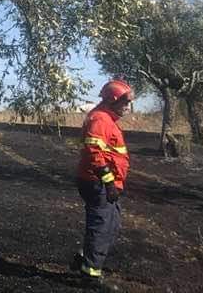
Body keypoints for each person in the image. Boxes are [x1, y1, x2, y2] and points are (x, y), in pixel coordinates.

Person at [71, 79, 134, 289]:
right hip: (97, 182)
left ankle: (85, 257)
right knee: (101, 226)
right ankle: (90, 275)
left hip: (105, 182)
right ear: (112, 100)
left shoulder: (107, 118)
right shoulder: (100, 119)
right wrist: (108, 183)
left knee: (111, 224)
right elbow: (94, 154)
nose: (128, 106)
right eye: (125, 102)